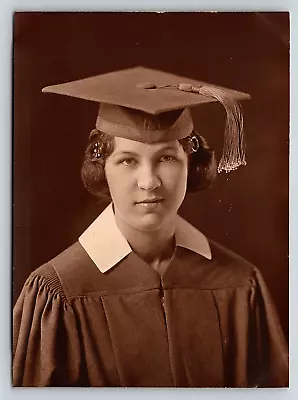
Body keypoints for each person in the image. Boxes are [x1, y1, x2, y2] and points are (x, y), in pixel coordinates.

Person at [13, 66, 288, 387]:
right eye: (128, 160)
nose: (149, 182)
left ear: (192, 167)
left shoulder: (240, 283)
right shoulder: (58, 292)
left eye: (167, 159)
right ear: (102, 169)